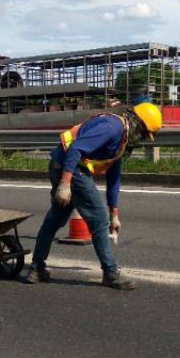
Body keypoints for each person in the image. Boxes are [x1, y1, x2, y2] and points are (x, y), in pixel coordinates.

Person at [26, 97, 162, 289]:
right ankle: (110, 273)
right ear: (136, 123)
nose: (142, 139)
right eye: (143, 134)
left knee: (56, 218)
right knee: (99, 220)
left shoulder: (121, 138)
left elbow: (114, 176)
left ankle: (36, 268)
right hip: (71, 168)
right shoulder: (113, 128)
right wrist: (65, 184)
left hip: (61, 164)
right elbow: (76, 149)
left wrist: (114, 213)